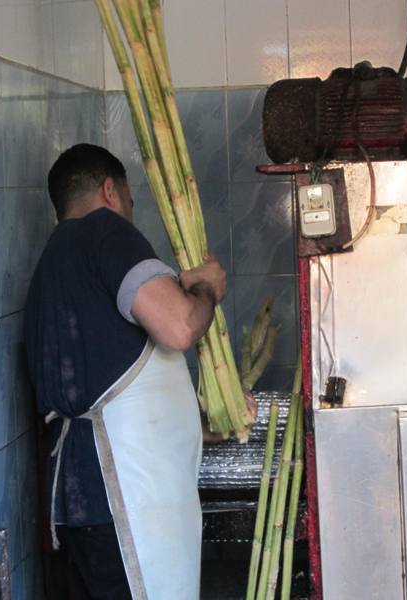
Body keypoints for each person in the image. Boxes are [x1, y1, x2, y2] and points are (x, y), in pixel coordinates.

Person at [24, 144, 253, 599]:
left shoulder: (56, 263)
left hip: (85, 501)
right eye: (130, 199)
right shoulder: (104, 232)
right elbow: (179, 326)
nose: (131, 210)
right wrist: (207, 289)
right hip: (124, 502)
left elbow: (109, 391)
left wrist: (205, 427)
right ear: (111, 191)